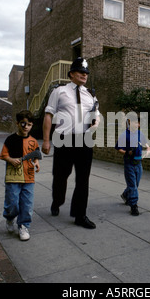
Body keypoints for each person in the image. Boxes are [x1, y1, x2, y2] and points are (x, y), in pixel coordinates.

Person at [42, 57, 100, 229]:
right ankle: (57, 201)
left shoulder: (90, 95)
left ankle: (79, 215)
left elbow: (97, 115)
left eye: (86, 73)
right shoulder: (59, 91)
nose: (84, 75)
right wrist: (46, 141)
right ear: (72, 74)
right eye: (81, 72)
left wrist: (96, 122)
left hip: (84, 140)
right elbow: (48, 115)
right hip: (64, 140)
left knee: (83, 179)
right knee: (60, 176)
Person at [0, 110, 41, 241]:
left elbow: (36, 155)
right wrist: (11, 160)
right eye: (23, 124)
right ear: (17, 123)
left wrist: (37, 163)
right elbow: (4, 155)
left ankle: (23, 225)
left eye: (29, 124)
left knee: (27, 204)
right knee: (12, 202)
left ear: (31, 125)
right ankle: (10, 218)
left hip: (28, 176)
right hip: (13, 177)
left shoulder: (33, 141)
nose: (26, 127)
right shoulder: (10, 139)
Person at [115, 114, 150, 216]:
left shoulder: (140, 134)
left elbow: (146, 145)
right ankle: (133, 205)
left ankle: (125, 195)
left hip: (138, 163)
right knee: (133, 186)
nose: (137, 124)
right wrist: (127, 152)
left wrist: (147, 151)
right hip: (129, 163)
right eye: (135, 122)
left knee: (135, 184)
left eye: (138, 123)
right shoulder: (124, 135)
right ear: (130, 122)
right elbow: (118, 148)